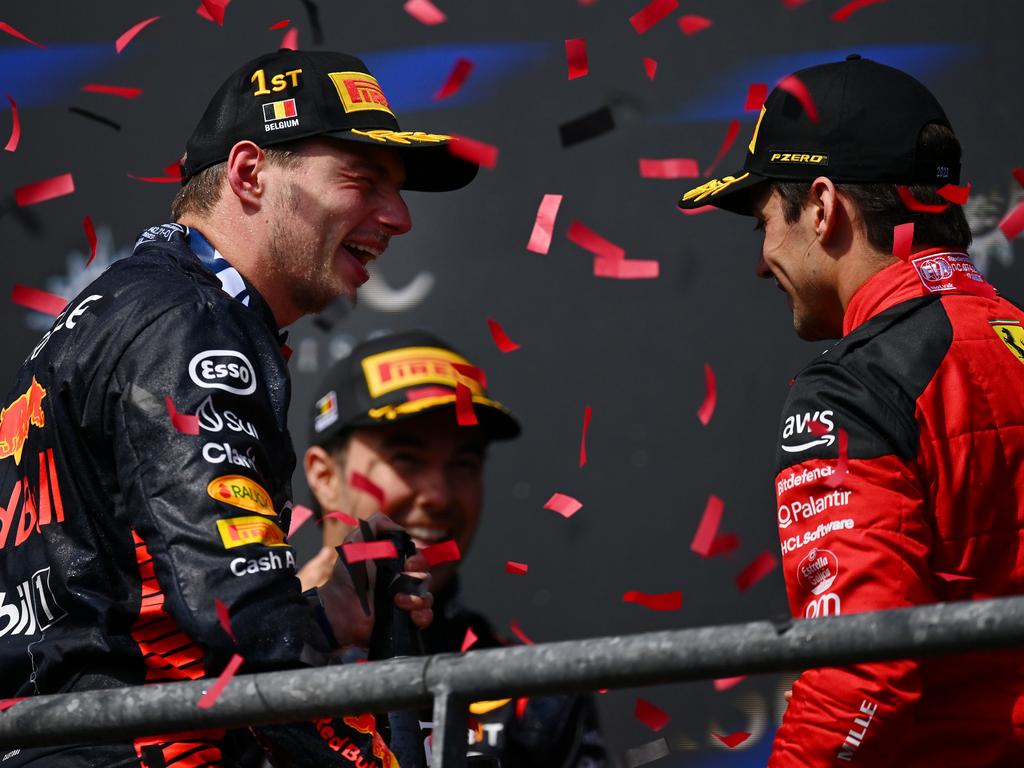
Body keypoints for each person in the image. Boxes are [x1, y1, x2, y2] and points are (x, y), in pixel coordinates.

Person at [0, 49, 480, 767]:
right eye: (362, 179)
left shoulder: (130, 303)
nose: (399, 217)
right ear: (250, 173)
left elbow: (141, 591)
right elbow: (238, 610)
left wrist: (325, 614)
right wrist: (369, 756)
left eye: (399, 190)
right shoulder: (186, 324)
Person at [678, 56, 1024, 765]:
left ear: (824, 206)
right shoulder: (1009, 337)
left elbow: (861, 672)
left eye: (764, 221)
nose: (761, 259)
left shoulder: (857, 386)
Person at [297, 330, 608, 768]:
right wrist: (299, 633)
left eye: (464, 463)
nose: (440, 495)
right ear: (325, 477)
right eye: (406, 458)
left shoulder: (530, 693)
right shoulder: (235, 656)